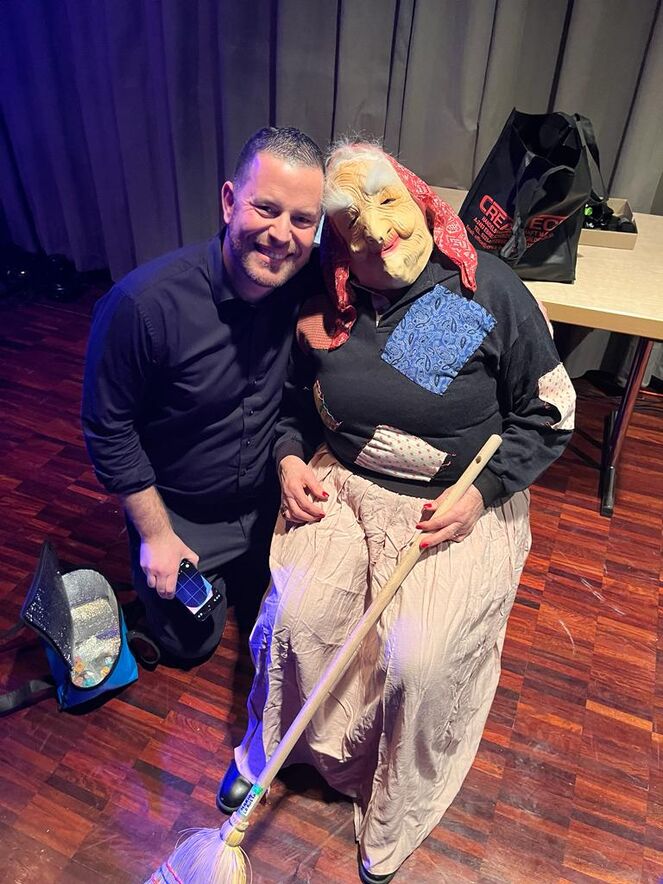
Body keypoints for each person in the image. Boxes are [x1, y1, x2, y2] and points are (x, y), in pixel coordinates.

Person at [217, 141, 576, 882]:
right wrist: (289, 459)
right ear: (334, 242)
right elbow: (293, 403)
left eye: (388, 203)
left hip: (451, 503)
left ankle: (394, 803)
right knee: (294, 618)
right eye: (351, 222)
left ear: (421, 201)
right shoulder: (321, 296)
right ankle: (270, 750)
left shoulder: (478, 292)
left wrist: (482, 492)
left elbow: (550, 412)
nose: (379, 233)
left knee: (417, 657)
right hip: (342, 486)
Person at [81, 127, 325, 665]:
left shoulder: (308, 281)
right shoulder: (142, 305)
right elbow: (107, 428)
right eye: (266, 208)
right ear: (229, 201)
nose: (281, 235)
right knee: (189, 643)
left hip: (265, 496)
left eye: (302, 220)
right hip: (181, 510)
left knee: (311, 619)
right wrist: (155, 533)